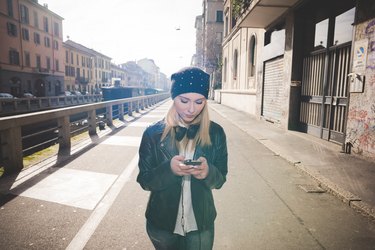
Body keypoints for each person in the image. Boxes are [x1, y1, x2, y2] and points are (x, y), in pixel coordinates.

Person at [137, 67, 228, 250]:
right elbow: (145, 181)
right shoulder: (153, 134)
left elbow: (220, 180)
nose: (192, 109)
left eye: (199, 101)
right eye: (184, 101)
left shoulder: (216, 132)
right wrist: (168, 170)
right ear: (173, 98)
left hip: (201, 225)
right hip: (162, 224)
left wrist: (209, 172)